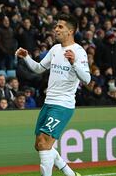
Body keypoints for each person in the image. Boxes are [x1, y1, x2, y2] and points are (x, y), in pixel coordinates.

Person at [15, 14, 90, 176]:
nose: (56, 29)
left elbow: (87, 79)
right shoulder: (55, 49)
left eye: (60, 27)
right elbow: (39, 68)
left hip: (63, 105)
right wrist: (26, 57)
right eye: (56, 26)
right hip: (49, 102)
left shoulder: (79, 52)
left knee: (43, 143)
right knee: (40, 144)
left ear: (70, 31)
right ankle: (71, 174)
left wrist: (74, 63)